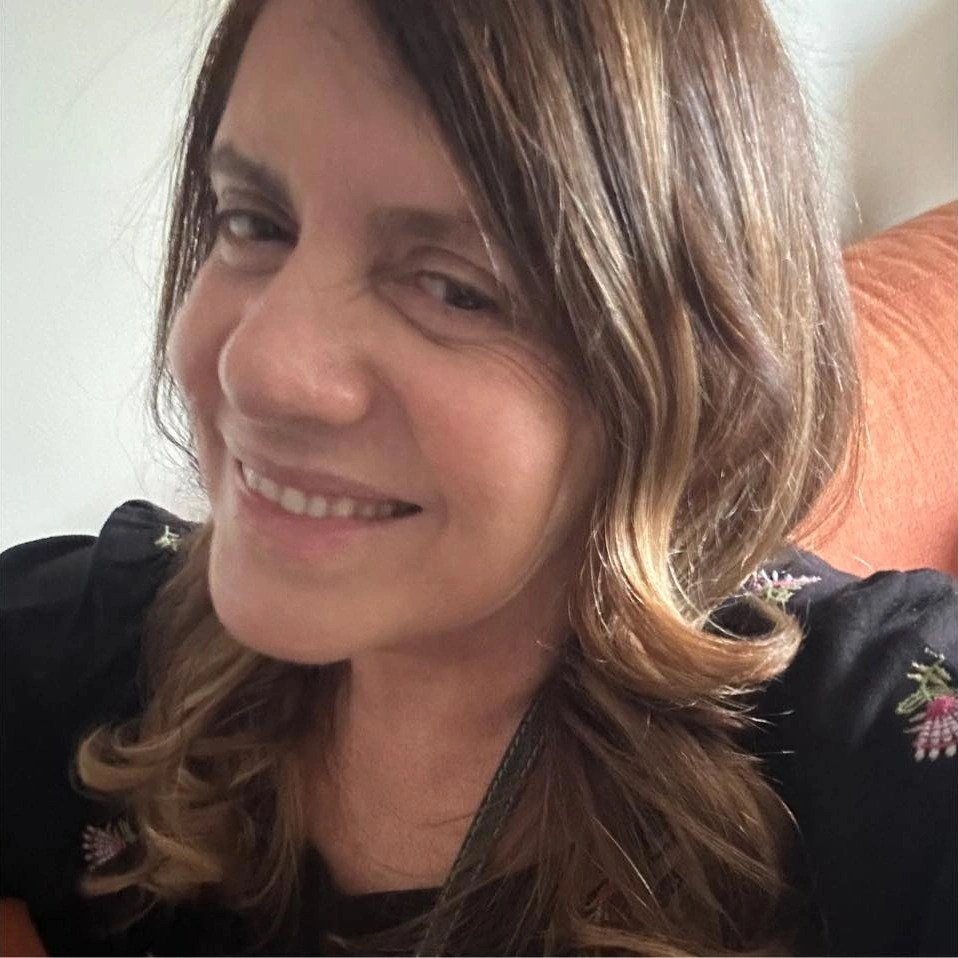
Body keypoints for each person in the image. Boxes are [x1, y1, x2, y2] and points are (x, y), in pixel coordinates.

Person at [2, 0, 955, 954]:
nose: (258, 366)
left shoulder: (863, 738)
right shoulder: (102, 647)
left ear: (679, 373)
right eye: (254, 223)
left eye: (455, 287)